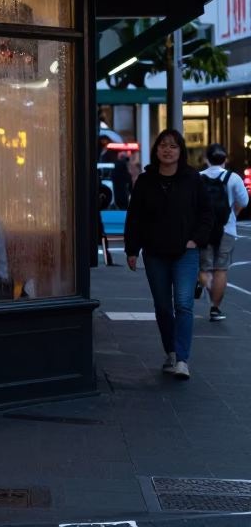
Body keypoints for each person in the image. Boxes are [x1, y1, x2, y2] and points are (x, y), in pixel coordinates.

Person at [124, 129, 212, 380]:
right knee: (163, 307)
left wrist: (196, 240)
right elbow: (135, 218)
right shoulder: (146, 181)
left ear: (181, 150)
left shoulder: (192, 179)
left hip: (185, 252)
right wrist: (132, 250)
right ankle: (171, 353)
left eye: (173, 146)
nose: (168, 150)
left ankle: (182, 359)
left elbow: (206, 214)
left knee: (183, 304)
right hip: (154, 253)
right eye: (163, 145)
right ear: (156, 150)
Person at [197, 143, 247, 322]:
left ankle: (203, 283)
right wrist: (233, 213)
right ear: (225, 159)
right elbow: (244, 201)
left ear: (206, 159)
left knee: (204, 268)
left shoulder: (198, 177)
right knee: (221, 269)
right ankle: (215, 309)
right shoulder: (233, 178)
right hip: (227, 229)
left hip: (203, 230)